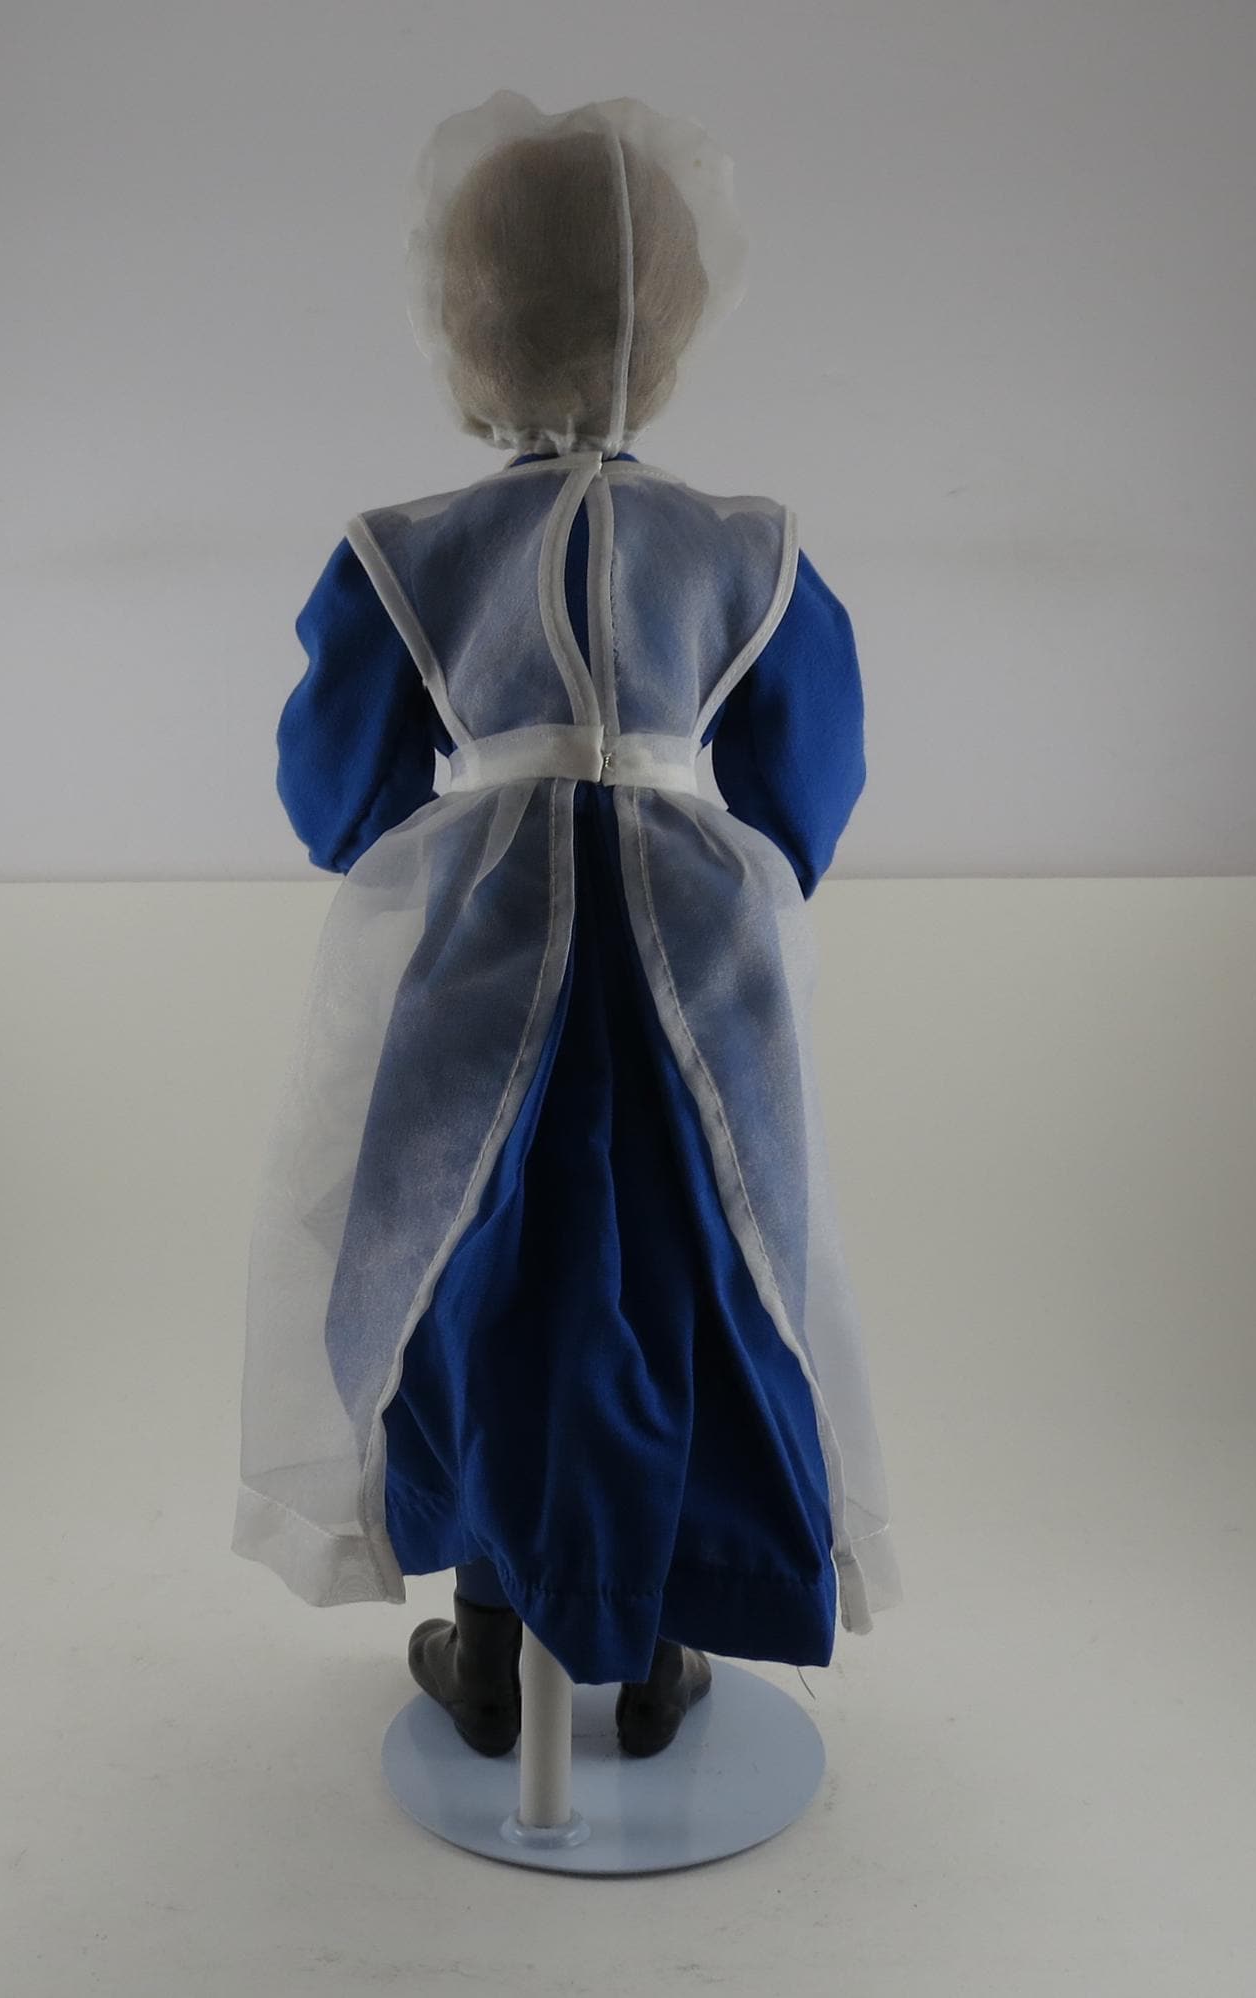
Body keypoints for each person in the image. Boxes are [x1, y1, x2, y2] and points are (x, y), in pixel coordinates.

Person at [235, 92, 895, 1760]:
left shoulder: (411, 553)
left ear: (469, 320)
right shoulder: (744, 550)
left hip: (485, 978)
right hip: (697, 992)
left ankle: (493, 1628)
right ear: (668, 326)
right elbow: (807, 788)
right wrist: (706, 848)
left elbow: (335, 797)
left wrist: (474, 817)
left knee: (478, 1268)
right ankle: (662, 1629)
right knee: (693, 1269)